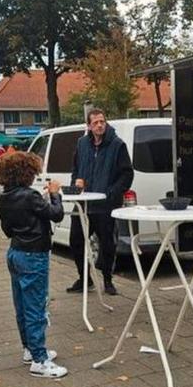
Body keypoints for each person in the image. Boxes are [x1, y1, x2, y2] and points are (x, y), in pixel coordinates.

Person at [0, 151, 67, 379]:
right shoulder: (30, 196)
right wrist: (55, 195)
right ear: (26, 173)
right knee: (36, 306)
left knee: (22, 305)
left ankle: (29, 348)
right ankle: (39, 359)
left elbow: (7, 230)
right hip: (34, 255)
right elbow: (56, 215)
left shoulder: (1, 199)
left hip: (15, 252)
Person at [67, 108, 133, 296]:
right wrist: (75, 185)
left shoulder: (117, 145)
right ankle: (84, 278)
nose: (99, 125)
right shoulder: (81, 144)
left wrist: (112, 192)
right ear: (89, 125)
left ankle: (108, 280)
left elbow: (127, 173)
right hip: (83, 204)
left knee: (107, 244)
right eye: (95, 122)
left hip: (105, 205)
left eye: (102, 121)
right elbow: (76, 169)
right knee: (76, 241)